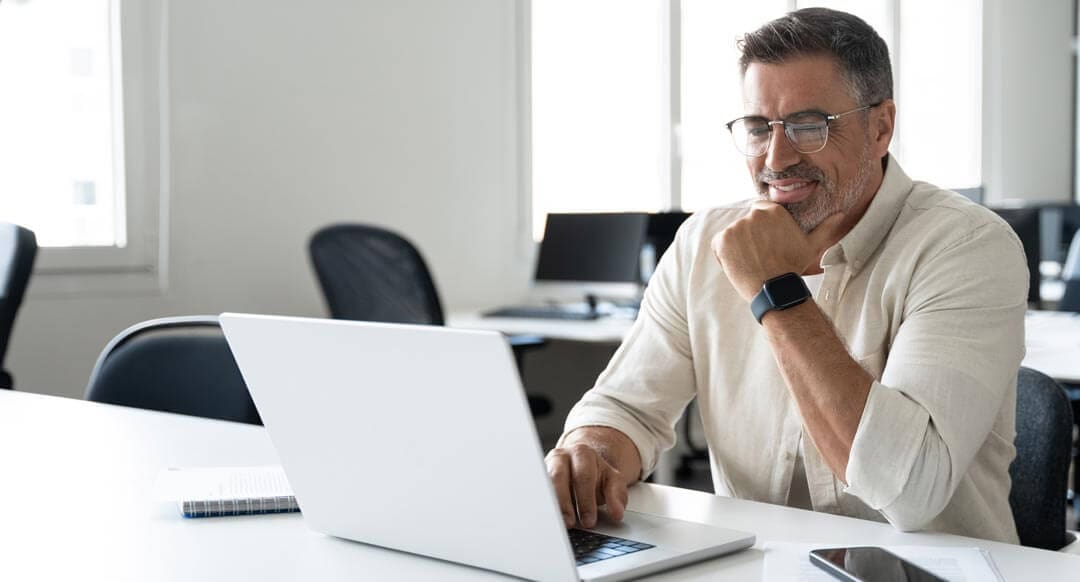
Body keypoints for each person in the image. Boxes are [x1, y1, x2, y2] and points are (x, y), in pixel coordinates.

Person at [545, 7, 1027, 544]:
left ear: (881, 127)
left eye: (809, 126)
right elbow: (628, 407)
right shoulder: (703, 243)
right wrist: (590, 450)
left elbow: (910, 489)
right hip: (755, 567)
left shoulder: (966, 246)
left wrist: (776, 290)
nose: (776, 157)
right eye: (758, 128)